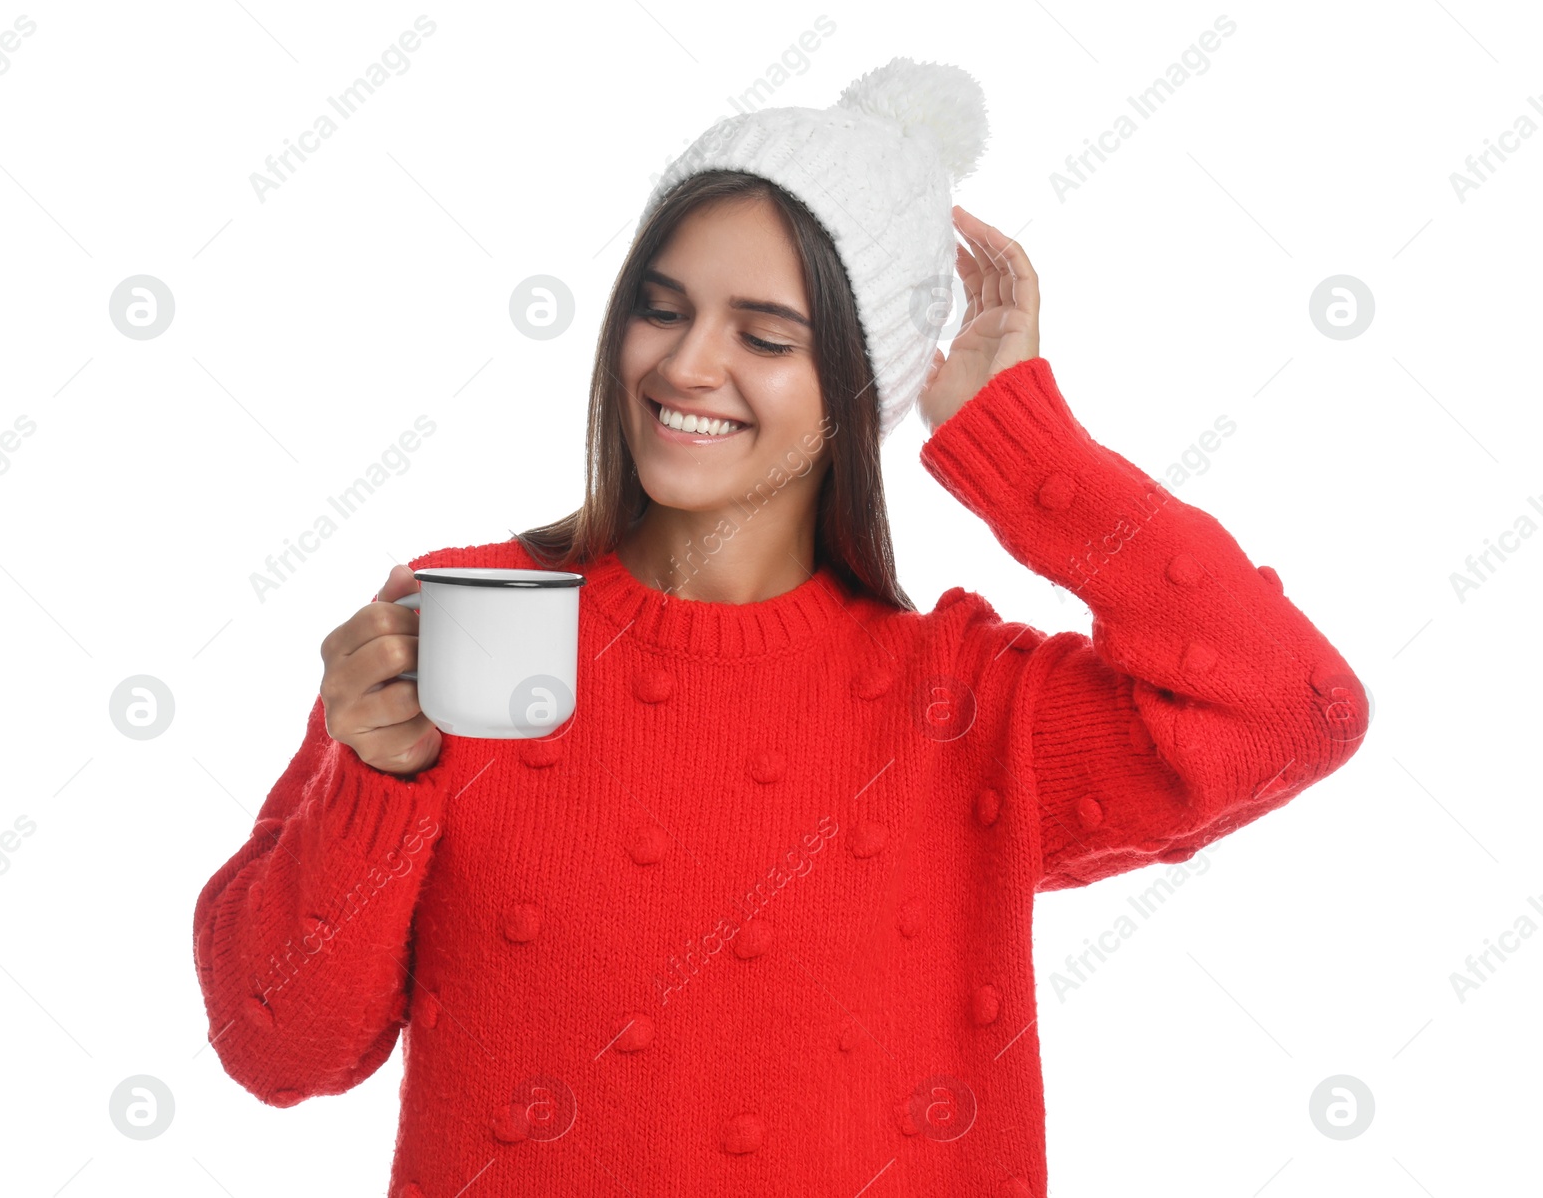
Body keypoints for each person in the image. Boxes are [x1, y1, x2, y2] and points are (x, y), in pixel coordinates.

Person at [192, 58, 1369, 1197]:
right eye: (660, 309)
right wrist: (373, 778)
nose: (686, 365)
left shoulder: (958, 704)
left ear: (863, 381)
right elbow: (279, 1046)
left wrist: (1024, 448)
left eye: (764, 336)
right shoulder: (472, 620)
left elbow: (1292, 709)